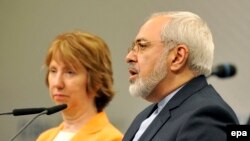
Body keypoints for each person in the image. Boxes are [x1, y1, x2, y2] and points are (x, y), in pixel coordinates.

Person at [123, 11, 239, 141]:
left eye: (142, 46)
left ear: (177, 57)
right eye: (133, 48)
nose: (129, 57)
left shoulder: (207, 117)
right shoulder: (144, 116)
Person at [36, 31, 123, 141]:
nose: (57, 83)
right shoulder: (44, 138)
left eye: (70, 72)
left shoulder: (111, 138)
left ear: (97, 81)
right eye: (53, 71)